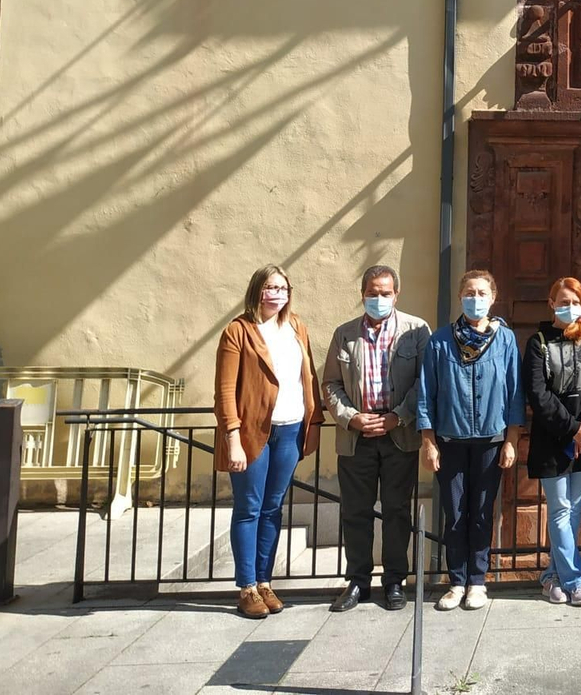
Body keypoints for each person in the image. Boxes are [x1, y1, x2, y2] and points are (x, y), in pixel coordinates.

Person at [213, 264, 322, 619]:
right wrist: (232, 438)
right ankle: (246, 587)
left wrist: (314, 419)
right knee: (249, 508)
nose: (276, 294)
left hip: (290, 430)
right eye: (270, 287)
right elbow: (225, 391)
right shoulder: (238, 331)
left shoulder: (296, 327)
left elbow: (309, 376)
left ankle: (264, 582)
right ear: (257, 290)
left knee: (273, 507)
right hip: (252, 432)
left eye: (283, 287)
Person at [322, 264, 431, 613]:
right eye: (373, 293)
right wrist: (351, 418)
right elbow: (330, 384)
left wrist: (397, 415)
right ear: (363, 294)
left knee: (398, 511)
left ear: (396, 294)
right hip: (357, 437)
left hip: (399, 434)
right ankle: (357, 582)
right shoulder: (344, 334)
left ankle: (395, 580)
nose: (379, 298)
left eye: (385, 293)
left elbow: (424, 384)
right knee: (355, 511)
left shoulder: (416, 331)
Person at [417, 270, 524, 610]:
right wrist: (428, 441)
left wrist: (511, 440)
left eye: (481, 293)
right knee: (455, 512)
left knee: (480, 512)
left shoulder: (505, 340)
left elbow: (515, 393)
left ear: (492, 298)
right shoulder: (439, 341)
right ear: (460, 296)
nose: (475, 298)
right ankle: (456, 581)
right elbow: (426, 394)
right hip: (450, 440)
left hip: (491, 441)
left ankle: (478, 580)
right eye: (469, 292)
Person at [525, 275, 581, 607]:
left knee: (573, 509)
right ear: (551, 305)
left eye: (574, 302)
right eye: (563, 302)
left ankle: (552, 576)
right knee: (560, 508)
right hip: (553, 437)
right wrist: (571, 428)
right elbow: (538, 393)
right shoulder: (538, 342)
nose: (569, 307)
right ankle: (576, 580)